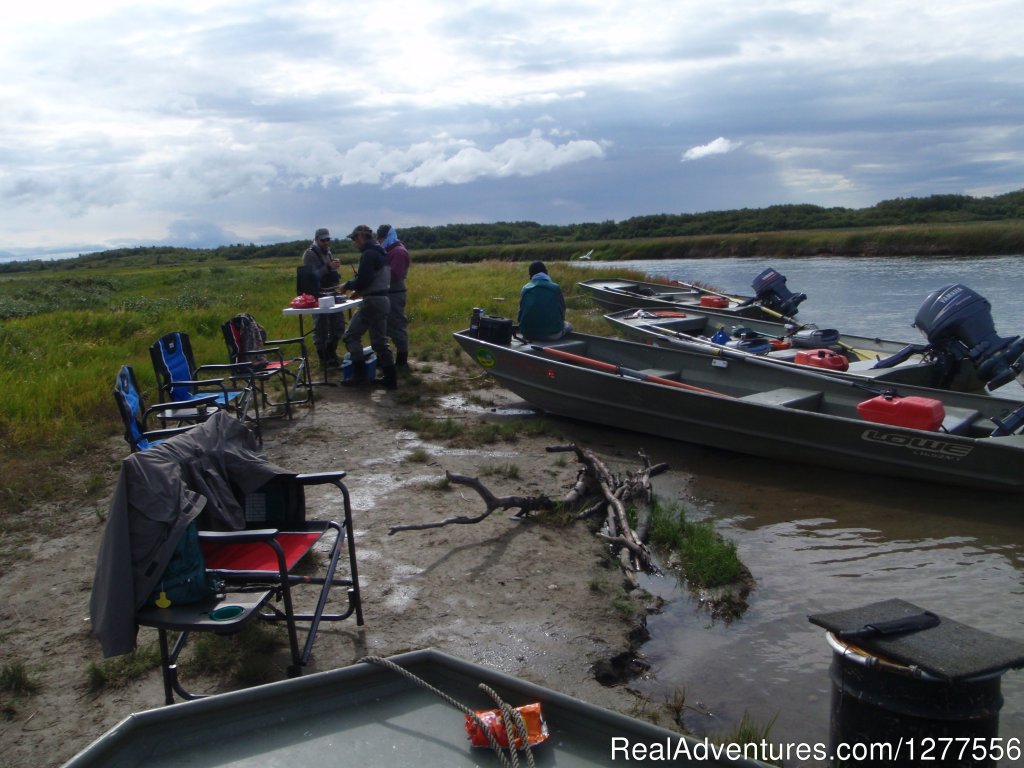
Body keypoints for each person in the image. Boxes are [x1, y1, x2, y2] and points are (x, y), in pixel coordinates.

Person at [339, 224, 397, 389]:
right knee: (379, 342)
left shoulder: (369, 254)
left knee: (351, 336)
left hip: (372, 302)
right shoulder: (381, 252)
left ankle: (360, 376)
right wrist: (360, 289)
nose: (354, 243)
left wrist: (348, 285)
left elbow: (364, 279)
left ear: (361, 236)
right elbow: (373, 278)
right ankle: (390, 379)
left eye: (354, 239)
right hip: (383, 300)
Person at [301, 228, 344, 368]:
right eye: (323, 240)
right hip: (318, 295)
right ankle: (324, 358)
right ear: (317, 239)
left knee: (338, 325)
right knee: (321, 328)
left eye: (328, 239)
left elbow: (328, 271)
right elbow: (312, 277)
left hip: (332, 292)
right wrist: (328, 267)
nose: (326, 242)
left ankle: (331, 353)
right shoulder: (309, 254)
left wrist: (334, 269)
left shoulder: (328, 252)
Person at [376, 224, 411, 368]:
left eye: (381, 238)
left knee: (396, 326)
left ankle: (402, 361)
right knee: (384, 327)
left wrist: (376, 275)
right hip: (387, 293)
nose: (379, 241)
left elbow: (395, 275)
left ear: (387, 236)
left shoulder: (398, 252)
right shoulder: (389, 250)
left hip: (395, 294)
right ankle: (386, 358)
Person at [517, 261, 572, 340]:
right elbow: (562, 313)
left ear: (531, 275)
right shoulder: (555, 288)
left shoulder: (525, 289)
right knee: (568, 325)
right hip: (551, 335)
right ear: (546, 272)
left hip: (526, 334)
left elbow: (520, 316)